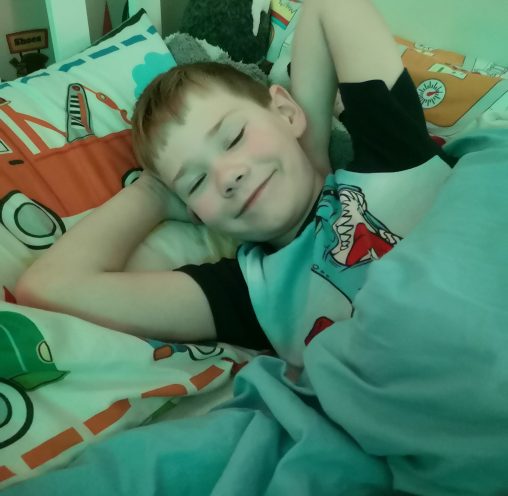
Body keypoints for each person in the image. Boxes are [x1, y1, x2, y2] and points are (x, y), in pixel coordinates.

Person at [15, 0, 456, 365]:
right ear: (193, 212)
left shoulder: (391, 156)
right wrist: (151, 193)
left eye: (234, 137)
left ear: (286, 111)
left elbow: (333, 7)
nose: (227, 176)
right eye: (196, 182)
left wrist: (312, 148)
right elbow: (50, 286)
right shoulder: (252, 293)